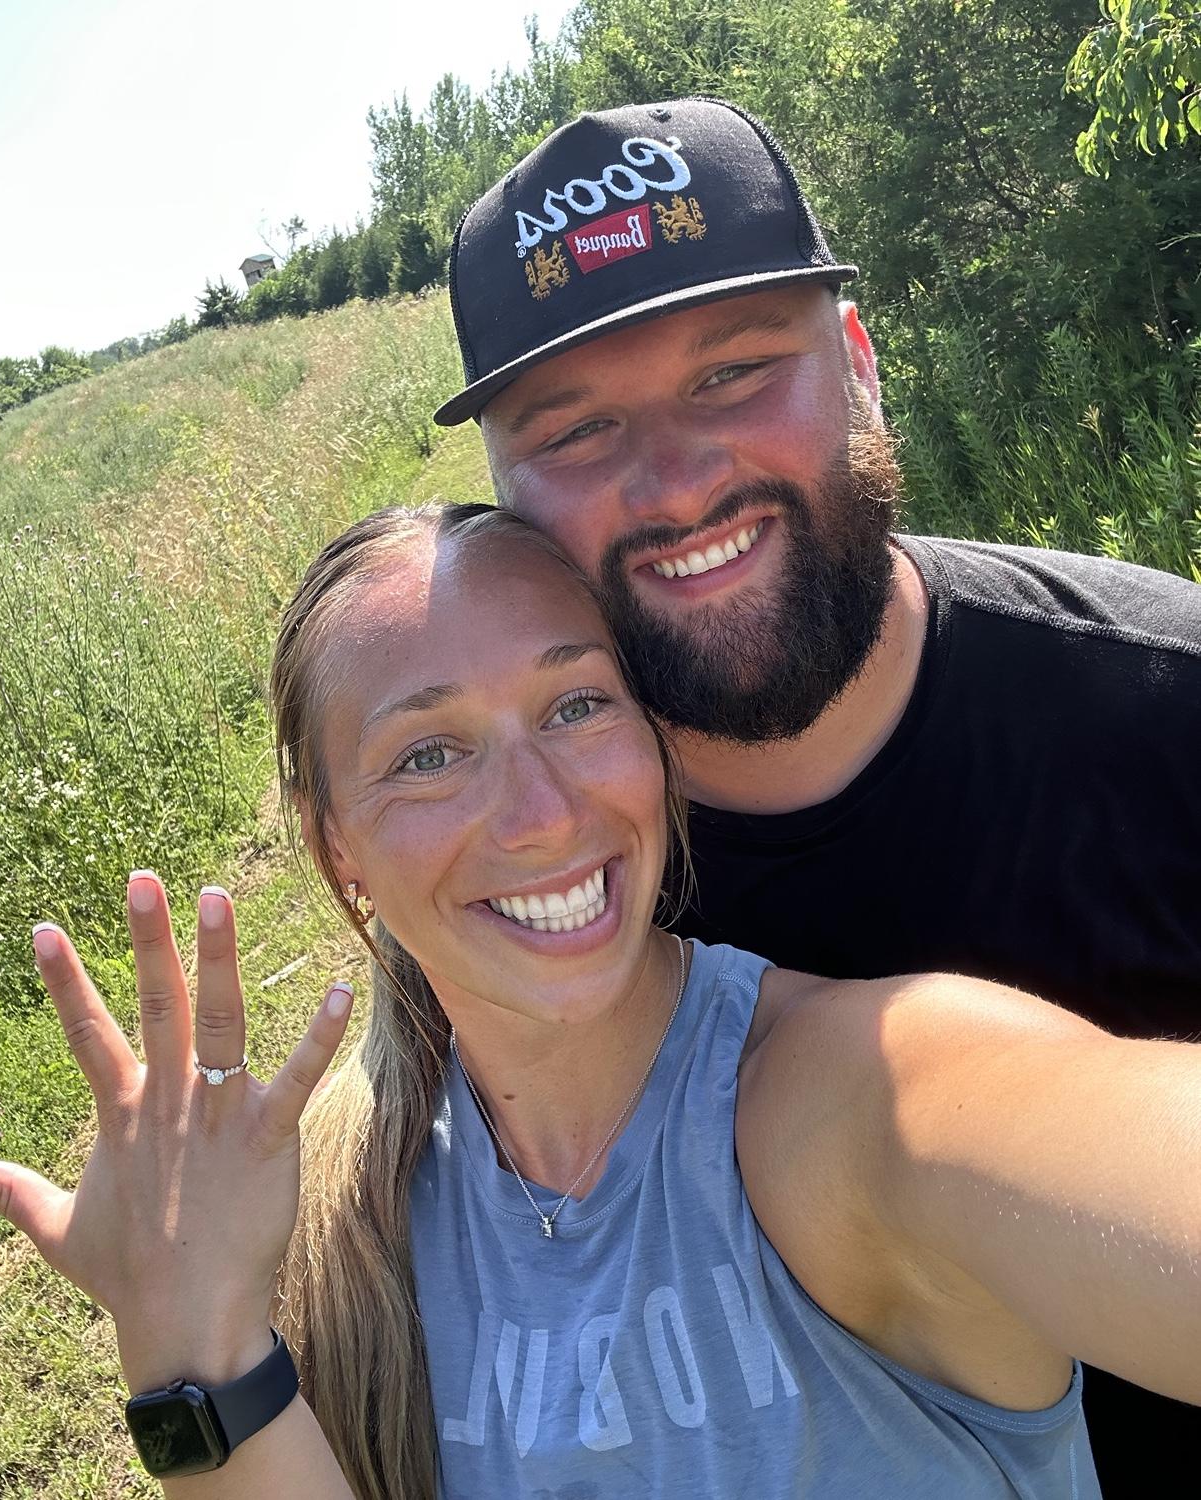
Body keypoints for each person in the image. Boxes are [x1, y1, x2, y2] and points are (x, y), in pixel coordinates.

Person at [0, 502, 1201, 1498]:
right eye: (430, 755)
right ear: (337, 848)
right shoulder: (340, 1224)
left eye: (577, 704)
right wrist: (192, 1341)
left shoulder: (861, 1100)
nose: (541, 815)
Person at [431, 96, 1201, 1484]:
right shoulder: (531, 882)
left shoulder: (1170, 713)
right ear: (503, 495)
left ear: (858, 362)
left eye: (733, 372)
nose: (676, 485)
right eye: (579, 429)